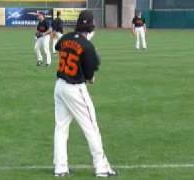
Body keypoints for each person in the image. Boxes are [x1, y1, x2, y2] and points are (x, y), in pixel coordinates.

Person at [53, 10, 117, 178]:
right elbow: (90, 78)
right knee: (91, 127)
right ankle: (101, 167)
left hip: (59, 86)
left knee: (61, 127)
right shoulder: (88, 47)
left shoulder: (65, 38)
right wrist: (90, 72)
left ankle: (60, 168)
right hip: (75, 89)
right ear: (91, 27)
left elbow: (57, 46)